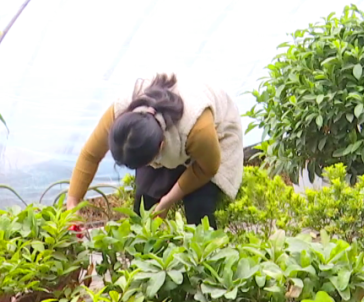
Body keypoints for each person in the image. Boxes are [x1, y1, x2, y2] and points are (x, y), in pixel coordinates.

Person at [66, 73, 243, 229]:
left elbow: (207, 168)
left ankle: (204, 263)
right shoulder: (122, 116)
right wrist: (72, 205)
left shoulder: (197, 128)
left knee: (198, 208)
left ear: (161, 147)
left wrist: (169, 199)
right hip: (163, 136)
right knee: (145, 205)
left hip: (218, 135)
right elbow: (90, 156)